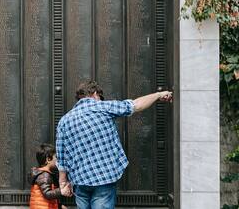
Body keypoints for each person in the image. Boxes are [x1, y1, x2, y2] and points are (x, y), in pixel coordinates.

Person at [55, 80, 172, 209]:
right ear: (94, 94)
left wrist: (63, 182)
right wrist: (158, 95)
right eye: (100, 97)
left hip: (79, 180)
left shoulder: (64, 121)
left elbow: (61, 156)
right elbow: (135, 105)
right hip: (104, 178)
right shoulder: (102, 107)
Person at [28, 143, 62, 209]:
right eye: (56, 157)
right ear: (48, 159)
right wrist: (62, 190)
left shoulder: (42, 174)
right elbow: (48, 194)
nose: (58, 160)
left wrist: (59, 206)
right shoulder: (45, 175)